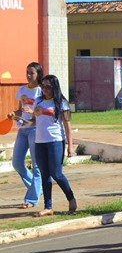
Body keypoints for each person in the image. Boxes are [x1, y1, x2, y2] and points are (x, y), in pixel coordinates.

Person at [31, 75, 76, 217]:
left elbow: (68, 126)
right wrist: (21, 122)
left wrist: (70, 146)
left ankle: (71, 198)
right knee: (44, 174)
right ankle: (48, 206)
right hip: (40, 142)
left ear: (54, 87)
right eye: (43, 86)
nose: (45, 89)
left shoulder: (61, 103)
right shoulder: (38, 101)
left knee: (56, 173)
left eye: (48, 86)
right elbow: (34, 121)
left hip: (56, 141)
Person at [7, 62, 43, 208]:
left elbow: (42, 112)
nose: (28, 75)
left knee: (36, 166)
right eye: (27, 72)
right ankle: (36, 189)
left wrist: (32, 112)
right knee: (16, 163)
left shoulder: (41, 91)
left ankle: (31, 199)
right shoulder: (22, 89)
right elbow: (19, 110)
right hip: (22, 129)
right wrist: (13, 114)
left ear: (38, 74)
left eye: (32, 73)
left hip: (35, 129)